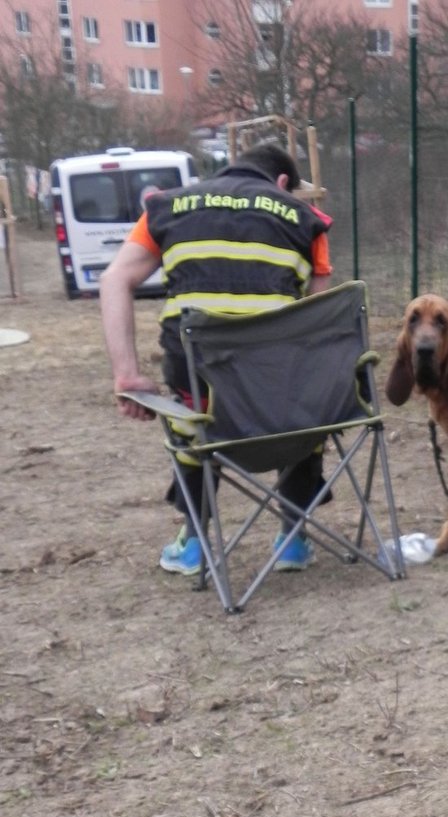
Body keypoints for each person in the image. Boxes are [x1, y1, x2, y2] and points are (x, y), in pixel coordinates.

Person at [100, 142, 333, 575]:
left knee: (193, 416)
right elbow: (319, 323)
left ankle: (193, 543)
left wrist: (127, 375)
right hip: (279, 398)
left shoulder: (165, 207)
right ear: (283, 184)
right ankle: (292, 538)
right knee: (308, 404)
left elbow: (115, 280)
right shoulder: (307, 221)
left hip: (198, 383)